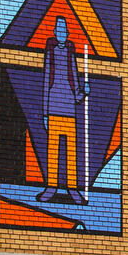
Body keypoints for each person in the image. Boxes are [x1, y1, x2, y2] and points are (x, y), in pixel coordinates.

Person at [39, 17, 88, 204]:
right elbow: (45, 83)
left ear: (67, 34)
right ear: (54, 33)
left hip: (69, 110)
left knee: (70, 151)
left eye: (64, 31)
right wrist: (44, 112)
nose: (61, 34)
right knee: (53, 150)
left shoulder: (70, 55)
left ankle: (72, 189)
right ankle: (51, 187)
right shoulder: (50, 54)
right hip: (53, 108)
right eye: (58, 30)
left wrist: (84, 93)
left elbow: (75, 87)